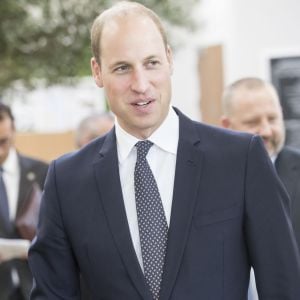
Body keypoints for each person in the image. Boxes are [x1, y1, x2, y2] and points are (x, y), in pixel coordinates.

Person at [28, 2, 300, 299]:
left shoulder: (240, 159)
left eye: (151, 63)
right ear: (97, 71)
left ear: (169, 59)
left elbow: (283, 284)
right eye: (122, 68)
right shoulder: (66, 180)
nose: (141, 85)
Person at [221, 77, 300, 300]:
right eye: (253, 122)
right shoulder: (210, 178)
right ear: (227, 125)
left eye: (273, 119)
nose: (266, 130)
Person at [0, 103, 48, 300]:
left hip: (36, 286)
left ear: (13, 128)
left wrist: (26, 248)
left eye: (2, 141)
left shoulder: (43, 172)